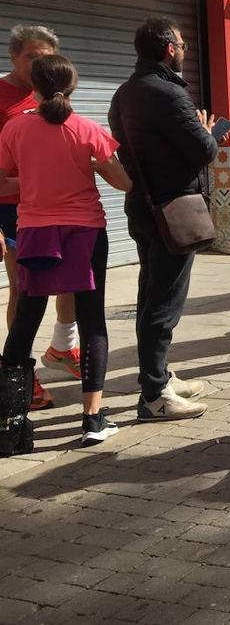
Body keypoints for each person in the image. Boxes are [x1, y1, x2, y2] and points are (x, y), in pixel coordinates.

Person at [0, 55, 132, 452]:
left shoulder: (14, 129)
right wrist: (90, 166)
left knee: (25, 320)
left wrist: (34, 175)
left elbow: (3, 180)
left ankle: (11, 423)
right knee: (93, 321)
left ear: (33, 87)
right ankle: (93, 419)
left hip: (35, 233)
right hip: (85, 233)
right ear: (72, 86)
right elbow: (124, 183)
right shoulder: (88, 129)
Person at [109, 17, 218, 421]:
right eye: (184, 45)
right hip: (172, 210)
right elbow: (203, 150)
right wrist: (208, 130)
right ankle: (155, 396)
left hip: (142, 207)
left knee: (149, 296)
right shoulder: (170, 94)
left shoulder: (124, 93)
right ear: (170, 49)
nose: (187, 50)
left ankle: (157, 376)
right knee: (164, 303)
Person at [0, 25, 78, 411]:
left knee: (73, 280)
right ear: (14, 56)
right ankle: (21, 376)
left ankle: (63, 347)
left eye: (45, 56)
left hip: (56, 207)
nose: (39, 63)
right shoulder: (1, 97)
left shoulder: (54, 96)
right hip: (12, 208)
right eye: (32, 56)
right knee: (24, 291)